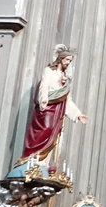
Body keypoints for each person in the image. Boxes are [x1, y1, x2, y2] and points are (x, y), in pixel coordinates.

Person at [10, 46, 88, 175]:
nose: (68, 63)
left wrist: (78, 114)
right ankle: (33, 160)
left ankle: (43, 163)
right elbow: (43, 86)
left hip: (57, 112)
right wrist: (44, 101)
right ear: (61, 58)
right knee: (44, 130)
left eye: (70, 60)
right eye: (67, 59)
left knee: (53, 135)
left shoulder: (65, 78)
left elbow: (67, 100)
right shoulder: (49, 71)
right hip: (46, 109)